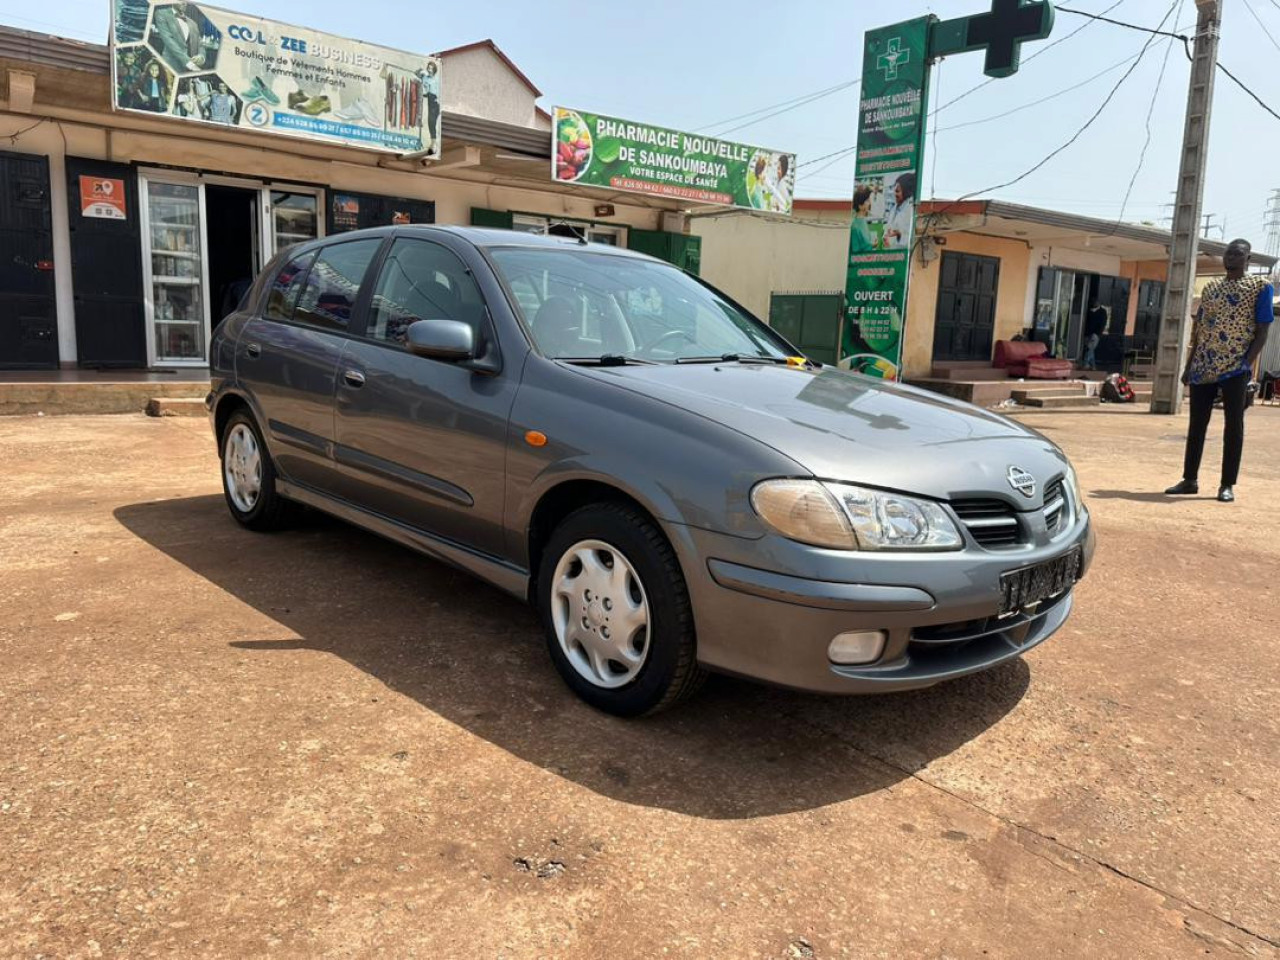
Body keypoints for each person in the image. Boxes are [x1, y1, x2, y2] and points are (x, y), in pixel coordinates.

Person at [1165, 239, 1273, 502]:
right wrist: (1189, 367)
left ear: (1247, 259)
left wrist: (1245, 364)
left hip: (1235, 368)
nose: (1231, 258)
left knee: (1233, 426)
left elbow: (1262, 333)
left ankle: (1227, 484)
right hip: (1204, 365)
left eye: (1238, 254)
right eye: (1228, 253)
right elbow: (1199, 331)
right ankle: (1189, 479)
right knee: (1196, 425)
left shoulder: (1260, 287)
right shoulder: (1211, 288)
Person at [884, 173, 916, 249]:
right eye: (894, 190)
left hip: (901, 254)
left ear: (906, 192)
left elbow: (910, 240)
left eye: (897, 191)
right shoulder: (893, 209)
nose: (895, 194)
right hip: (890, 252)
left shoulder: (910, 211)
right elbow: (889, 229)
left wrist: (899, 234)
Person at [1082, 297, 1107, 370]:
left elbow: (1103, 323)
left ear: (1099, 303)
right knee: (1090, 349)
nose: (1095, 303)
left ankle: (1085, 363)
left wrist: (1097, 333)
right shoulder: (1089, 310)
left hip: (1095, 334)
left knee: (1090, 348)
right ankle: (1093, 366)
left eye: (1096, 302)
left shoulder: (1102, 312)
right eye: (1094, 302)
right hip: (1087, 333)